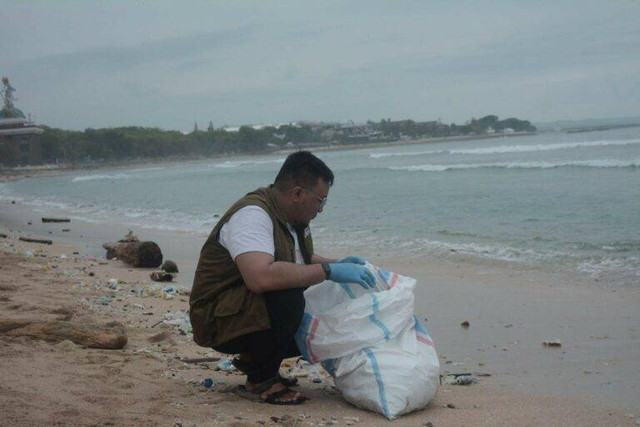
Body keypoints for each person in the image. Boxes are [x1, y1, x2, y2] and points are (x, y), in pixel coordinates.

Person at [189, 151, 375, 405]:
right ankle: (260, 378)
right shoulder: (253, 216)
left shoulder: (293, 219)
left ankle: (262, 364)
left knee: (319, 305)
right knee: (288, 293)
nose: (320, 209)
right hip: (215, 319)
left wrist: (337, 265)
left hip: (242, 309)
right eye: (320, 200)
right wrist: (328, 273)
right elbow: (260, 277)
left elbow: (300, 260)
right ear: (297, 193)